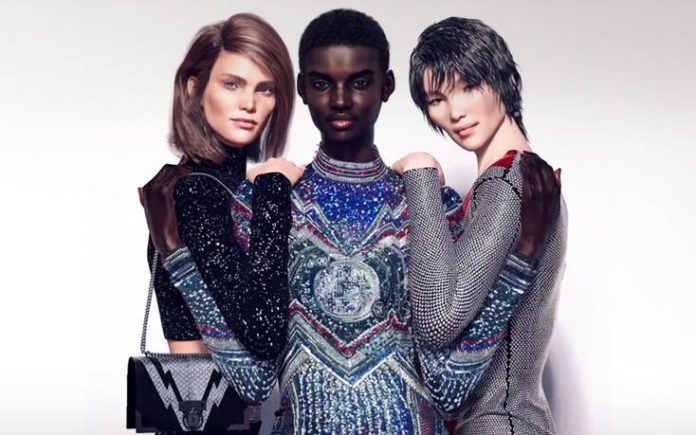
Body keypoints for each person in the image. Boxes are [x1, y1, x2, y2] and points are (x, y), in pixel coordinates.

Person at [162, 9, 561, 433]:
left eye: (360, 82)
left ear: (386, 86)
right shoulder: (267, 206)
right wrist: (177, 253)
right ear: (301, 88)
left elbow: (448, 389)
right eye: (321, 84)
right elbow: (254, 383)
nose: (340, 100)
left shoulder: (428, 206)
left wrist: (520, 262)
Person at [397, 16, 568, 434]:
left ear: (504, 81)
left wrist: (419, 173)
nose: (455, 112)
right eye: (437, 99)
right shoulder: (525, 178)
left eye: (469, 86)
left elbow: (438, 319)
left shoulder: (506, 182)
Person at [139, 14, 302, 434]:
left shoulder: (218, 188)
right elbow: (264, 335)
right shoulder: (195, 193)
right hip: (208, 421)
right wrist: (273, 190)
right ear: (194, 88)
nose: (249, 103)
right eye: (232, 84)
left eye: (265, 89)